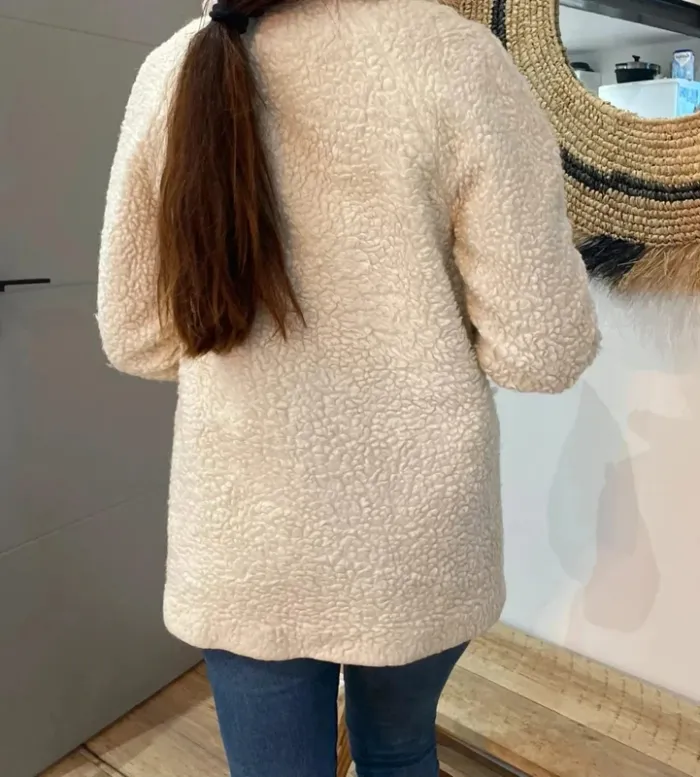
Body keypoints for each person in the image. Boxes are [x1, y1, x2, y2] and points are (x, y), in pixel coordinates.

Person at [97, 0, 599, 773]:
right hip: (418, 536)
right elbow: (544, 351)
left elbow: (136, 333)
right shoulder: (457, 60)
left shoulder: (174, 67)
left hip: (248, 534)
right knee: (399, 749)